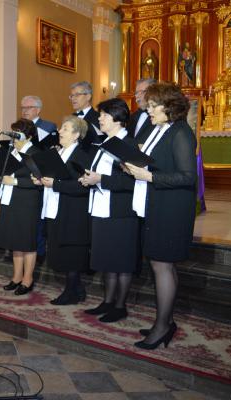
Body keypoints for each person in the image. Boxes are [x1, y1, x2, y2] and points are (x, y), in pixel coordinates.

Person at [124, 82, 196, 350]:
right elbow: (156, 162)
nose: (148, 109)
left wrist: (149, 176)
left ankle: (162, 326)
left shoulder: (181, 133)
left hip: (171, 210)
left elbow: (189, 177)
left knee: (162, 265)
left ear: (168, 107)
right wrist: (134, 165)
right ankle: (166, 321)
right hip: (157, 204)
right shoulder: (161, 130)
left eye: (153, 105)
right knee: (162, 266)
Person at [79, 98, 138, 323]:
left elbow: (132, 182)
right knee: (106, 259)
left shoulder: (130, 145)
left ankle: (120, 305)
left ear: (117, 117)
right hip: (101, 208)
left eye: (103, 115)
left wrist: (100, 179)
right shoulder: (103, 143)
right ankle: (107, 301)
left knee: (121, 261)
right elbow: (99, 173)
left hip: (121, 212)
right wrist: (89, 177)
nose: (99, 119)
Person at [33, 116, 91, 304]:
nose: (60, 131)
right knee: (60, 250)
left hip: (73, 210)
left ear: (76, 134)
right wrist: (42, 180)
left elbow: (83, 186)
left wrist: (55, 184)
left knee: (71, 252)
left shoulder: (82, 155)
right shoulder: (59, 152)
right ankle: (77, 288)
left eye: (65, 129)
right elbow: (55, 178)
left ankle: (71, 291)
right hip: (56, 207)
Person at [0, 119, 42, 295]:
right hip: (10, 200)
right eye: (12, 131)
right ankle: (16, 277)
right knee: (15, 241)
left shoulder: (35, 153)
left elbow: (38, 181)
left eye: (18, 132)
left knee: (27, 241)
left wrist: (15, 181)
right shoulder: (11, 151)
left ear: (28, 135)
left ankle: (28, 279)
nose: (13, 136)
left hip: (27, 202)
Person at [21, 94, 58, 266]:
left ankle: (40, 252)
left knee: (40, 218)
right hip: (24, 172)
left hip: (41, 174)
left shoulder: (47, 126)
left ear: (38, 109)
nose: (24, 111)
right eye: (22, 108)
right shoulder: (20, 126)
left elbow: (48, 149)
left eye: (28, 108)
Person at [69, 81, 102, 151]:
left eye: (77, 95)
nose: (73, 98)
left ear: (88, 97)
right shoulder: (70, 118)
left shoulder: (99, 118)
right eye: (71, 96)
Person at [127, 78, 157, 145]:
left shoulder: (159, 117)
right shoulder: (132, 117)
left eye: (141, 92)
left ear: (153, 93)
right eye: (136, 93)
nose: (136, 96)